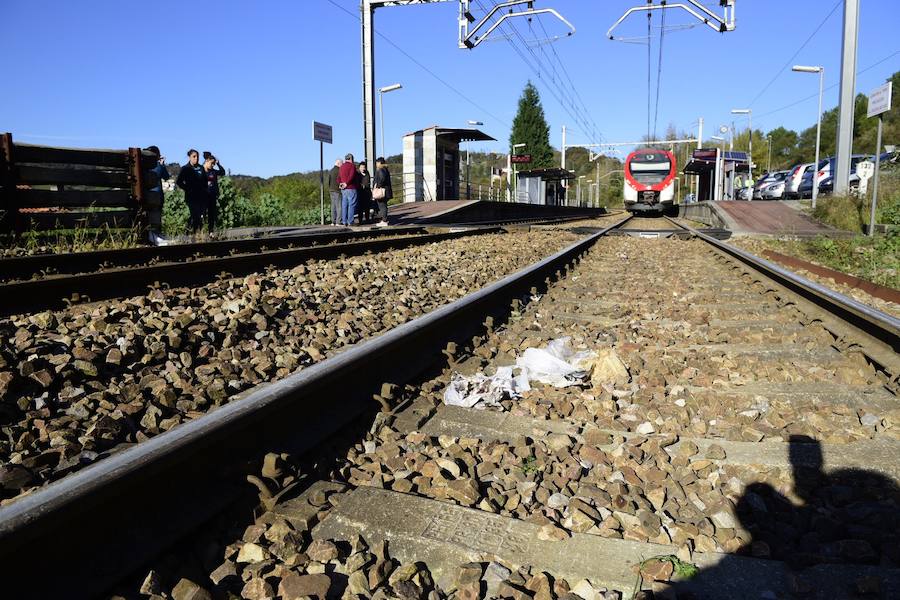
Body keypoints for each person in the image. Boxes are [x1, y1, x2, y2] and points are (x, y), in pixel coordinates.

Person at [175, 149, 207, 235]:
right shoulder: (185, 168)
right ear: (189, 157)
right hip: (191, 197)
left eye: (197, 157)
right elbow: (179, 182)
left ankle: (198, 233)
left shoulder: (201, 168)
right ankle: (188, 232)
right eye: (194, 156)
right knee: (194, 215)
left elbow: (205, 181)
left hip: (201, 196)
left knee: (200, 216)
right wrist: (187, 188)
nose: (196, 158)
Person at [145, 145, 170, 245]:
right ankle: (156, 235)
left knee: (151, 216)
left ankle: (153, 235)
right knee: (156, 216)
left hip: (149, 195)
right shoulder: (158, 166)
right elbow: (166, 177)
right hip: (157, 195)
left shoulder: (145, 166)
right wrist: (162, 164)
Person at [202, 151, 226, 233]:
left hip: (212, 195)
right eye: (211, 163)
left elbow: (223, 172)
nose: (212, 165)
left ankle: (210, 231)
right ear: (207, 161)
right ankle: (201, 231)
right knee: (202, 215)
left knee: (211, 215)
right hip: (203, 196)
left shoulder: (214, 171)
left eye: (214, 164)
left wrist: (218, 164)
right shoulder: (200, 170)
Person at [337, 152, 359, 227]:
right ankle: (350, 221)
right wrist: (346, 183)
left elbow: (338, 178)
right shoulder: (352, 166)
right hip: (351, 188)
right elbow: (352, 176)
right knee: (351, 205)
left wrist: (341, 184)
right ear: (351, 158)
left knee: (344, 205)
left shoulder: (341, 166)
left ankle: (344, 221)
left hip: (343, 189)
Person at [373, 157, 392, 227]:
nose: (376, 164)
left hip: (382, 191)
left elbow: (382, 179)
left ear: (380, 163)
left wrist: (377, 186)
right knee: (383, 205)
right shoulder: (385, 169)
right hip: (386, 191)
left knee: (382, 205)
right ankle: (384, 220)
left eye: (377, 163)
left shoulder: (381, 169)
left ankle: (384, 221)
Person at [327, 159, 343, 225]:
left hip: (331, 190)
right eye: (342, 163)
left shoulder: (331, 171)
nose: (342, 165)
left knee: (333, 206)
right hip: (337, 190)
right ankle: (338, 222)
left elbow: (329, 181)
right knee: (339, 206)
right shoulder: (340, 171)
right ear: (339, 163)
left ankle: (333, 221)